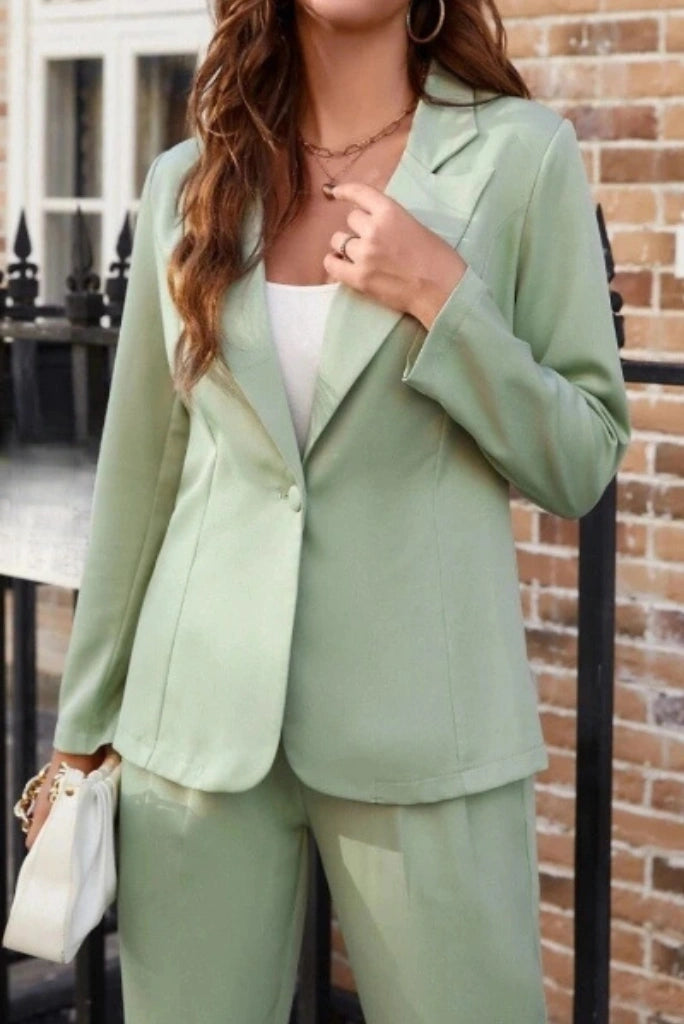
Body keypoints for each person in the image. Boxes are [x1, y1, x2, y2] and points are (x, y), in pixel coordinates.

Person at [21, 0, 631, 1021]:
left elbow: (582, 459)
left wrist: (443, 297)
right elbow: (140, 478)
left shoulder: (522, 157)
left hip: (427, 731)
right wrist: (80, 739)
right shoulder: (188, 181)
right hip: (195, 733)